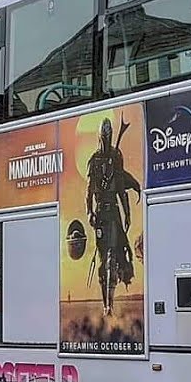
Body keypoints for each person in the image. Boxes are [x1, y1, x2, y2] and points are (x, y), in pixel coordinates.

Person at [86, 117, 141, 316]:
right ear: (100, 137)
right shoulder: (94, 160)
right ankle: (106, 305)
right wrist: (90, 212)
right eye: (104, 136)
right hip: (101, 213)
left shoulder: (117, 156)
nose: (107, 140)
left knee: (116, 255)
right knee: (104, 260)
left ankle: (111, 303)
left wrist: (127, 213)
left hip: (114, 213)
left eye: (109, 136)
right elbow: (89, 191)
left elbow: (120, 188)